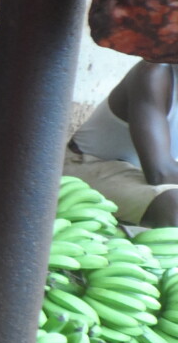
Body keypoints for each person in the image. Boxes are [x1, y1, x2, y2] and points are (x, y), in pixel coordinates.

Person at [67, 59, 178, 227]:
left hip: (139, 174)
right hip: (86, 165)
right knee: (173, 204)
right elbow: (160, 173)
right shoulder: (155, 72)